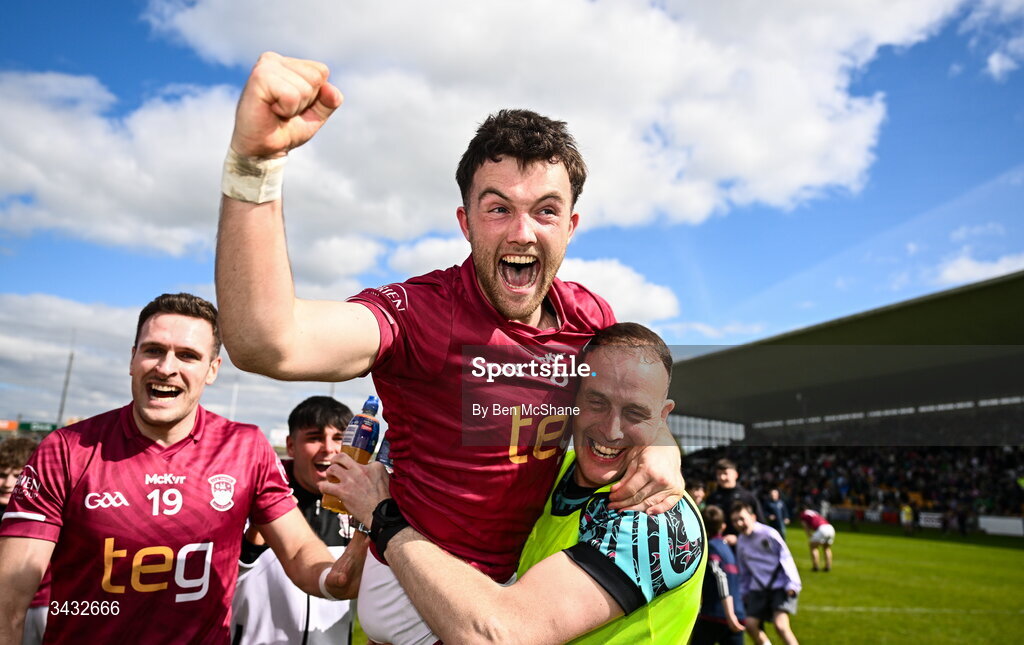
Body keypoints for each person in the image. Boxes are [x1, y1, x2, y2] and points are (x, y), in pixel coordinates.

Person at [216, 52, 684, 642]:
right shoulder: (422, 312)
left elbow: (632, 405)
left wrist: (662, 445)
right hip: (418, 583)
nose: (522, 232)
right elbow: (270, 343)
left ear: (571, 226)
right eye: (498, 209)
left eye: (546, 210)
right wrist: (255, 165)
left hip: (521, 581)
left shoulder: (590, 319)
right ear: (465, 222)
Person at [0, 293, 360, 644]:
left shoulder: (246, 447)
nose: (166, 367)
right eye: (154, 350)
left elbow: (298, 552)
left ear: (212, 370)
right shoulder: (65, 449)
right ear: (132, 358)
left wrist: (334, 578)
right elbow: (9, 599)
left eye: (187, 355)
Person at [324, 323, 705, 644]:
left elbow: (498, 634)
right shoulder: (552, 469)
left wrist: (383, 516)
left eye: (636, 412)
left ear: (663, 415)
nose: (611, 428)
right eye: (597, 402)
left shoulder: (659, 519)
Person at [232, 396, 368, 645]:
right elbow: (227, 578)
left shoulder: (360, 510)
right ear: (291, 446)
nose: (328, 448)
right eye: (315, 438)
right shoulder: (255, 497)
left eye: (339, 438)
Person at [730, 502, 802, 645]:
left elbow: (786, 558)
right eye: (734, 520)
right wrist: (743, 593)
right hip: (758, 588)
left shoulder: (769, 534)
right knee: (750, 625)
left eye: (742, 518)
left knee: (781, 626)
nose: (739, 523)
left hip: (780, 586)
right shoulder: (741, 542)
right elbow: (744, 571)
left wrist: (792, 584)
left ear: (753, 517)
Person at [1, 437, 49, 645]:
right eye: (2, 475)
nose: (8, 484)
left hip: (46, 605)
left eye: (17, 475)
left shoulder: (48, 510)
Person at [691, 505, 746, 645]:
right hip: (737, 612)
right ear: (723, 526)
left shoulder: (711, 548)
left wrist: (729, 614)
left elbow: (720, 576)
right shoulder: (725, 547)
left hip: (716, 614)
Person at [706, 459, 763, 544]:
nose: (722, 477)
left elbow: (760, 525)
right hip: (718, 546)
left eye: (725, 473)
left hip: (745, 547)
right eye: (719, 474)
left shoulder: (748, 497)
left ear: (736, 475)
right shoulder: (712, 498)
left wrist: (739, 539)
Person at [798, 506, 835, 572]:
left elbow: (805, 526)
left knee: (813, 547)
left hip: (822, 529)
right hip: (830, 528)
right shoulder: (814, 512)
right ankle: (828, 566)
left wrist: (809, 534)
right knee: (826, 548)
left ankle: (815, 567)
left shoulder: (803, 514)